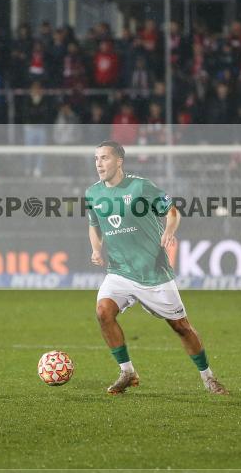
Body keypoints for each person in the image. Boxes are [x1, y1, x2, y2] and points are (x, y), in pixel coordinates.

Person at [86, 140, 228, 396]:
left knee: (181, 327)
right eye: (96, 159)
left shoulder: (141, 186)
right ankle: (127, 372)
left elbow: (172, 212)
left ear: (119, 161)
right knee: (103, 312)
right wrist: (96, 249)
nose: (99, 163)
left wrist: (170, 232)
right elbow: (94, 225)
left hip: (153, 272)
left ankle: (208, 378)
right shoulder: (93, 194)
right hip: (119, 272)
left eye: (105, 158)